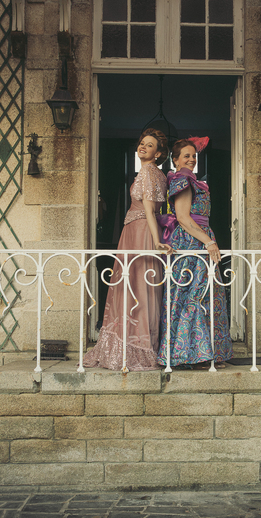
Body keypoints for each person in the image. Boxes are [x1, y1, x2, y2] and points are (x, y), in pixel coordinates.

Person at [84, 128, 172, 371]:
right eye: (142, 143)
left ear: (158, 153)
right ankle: (137, 342)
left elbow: (149, 210)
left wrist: (155, 240)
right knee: (136, 284)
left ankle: (136, 347)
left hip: (141, 232)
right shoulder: (157, 174)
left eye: (150, 145)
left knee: (136, 285)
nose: (143, 147)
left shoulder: (147, 172)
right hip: (135, 230)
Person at [157, 137, 234, 369]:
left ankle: (202, 353)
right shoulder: (182, 178)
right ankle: (193, 355)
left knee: (202, 294)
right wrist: (209, 242)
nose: (191, 159)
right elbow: (182, 218)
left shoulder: (190, 179)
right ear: (175, 159)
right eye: (186, 156)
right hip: (192, 241)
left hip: (198, 237)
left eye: (194, 156)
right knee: (195, 295)